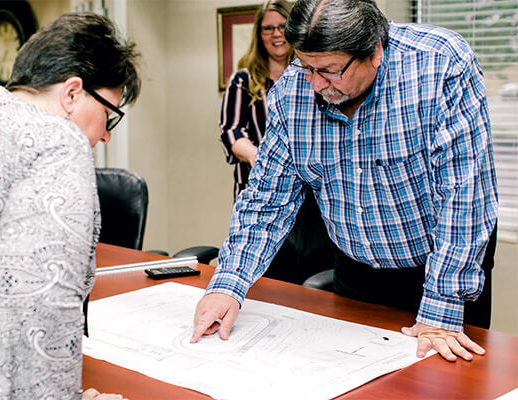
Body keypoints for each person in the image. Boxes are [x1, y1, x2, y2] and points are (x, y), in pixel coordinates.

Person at [192, 0, 498, 364]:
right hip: (357, 269)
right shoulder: (293, 92)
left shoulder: (440, 63)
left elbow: (464, 196)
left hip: (444, 264)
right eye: (306, 66)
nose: (317, 84)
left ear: (374, 51)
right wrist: (228, 285)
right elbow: (265, 201)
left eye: (331, 70)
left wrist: (442, 306)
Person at [0, 13, 139, 399]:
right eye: (109, 115)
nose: (105, 135)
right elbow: (38, 307)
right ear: (72, 93)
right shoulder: (57, 142)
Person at [220, 0, 335, 285]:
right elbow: (231, 131)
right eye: (268, 28)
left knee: (313, 274)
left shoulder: (313, 76)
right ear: (258, 35)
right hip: (263, 189)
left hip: (312, 196)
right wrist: (263, 159)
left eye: (282, 27)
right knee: (271, 274)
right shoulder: (244, 80)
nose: (276, 34)